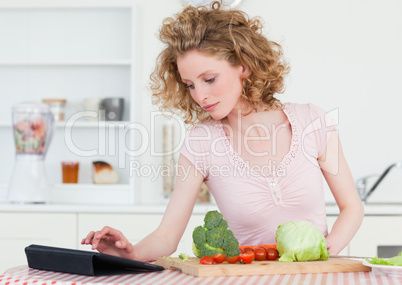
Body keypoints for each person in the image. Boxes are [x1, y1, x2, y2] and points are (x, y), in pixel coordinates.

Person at [81, 1, 364, 262]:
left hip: (316, 276)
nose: (200, 95)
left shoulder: (312, 120)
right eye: (190, 84)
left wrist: (324, 251)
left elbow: (352, 207)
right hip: (248, 278)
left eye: (209, 79)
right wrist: (129, 252)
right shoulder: (201, 142)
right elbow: (167, 236)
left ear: (243, 66)